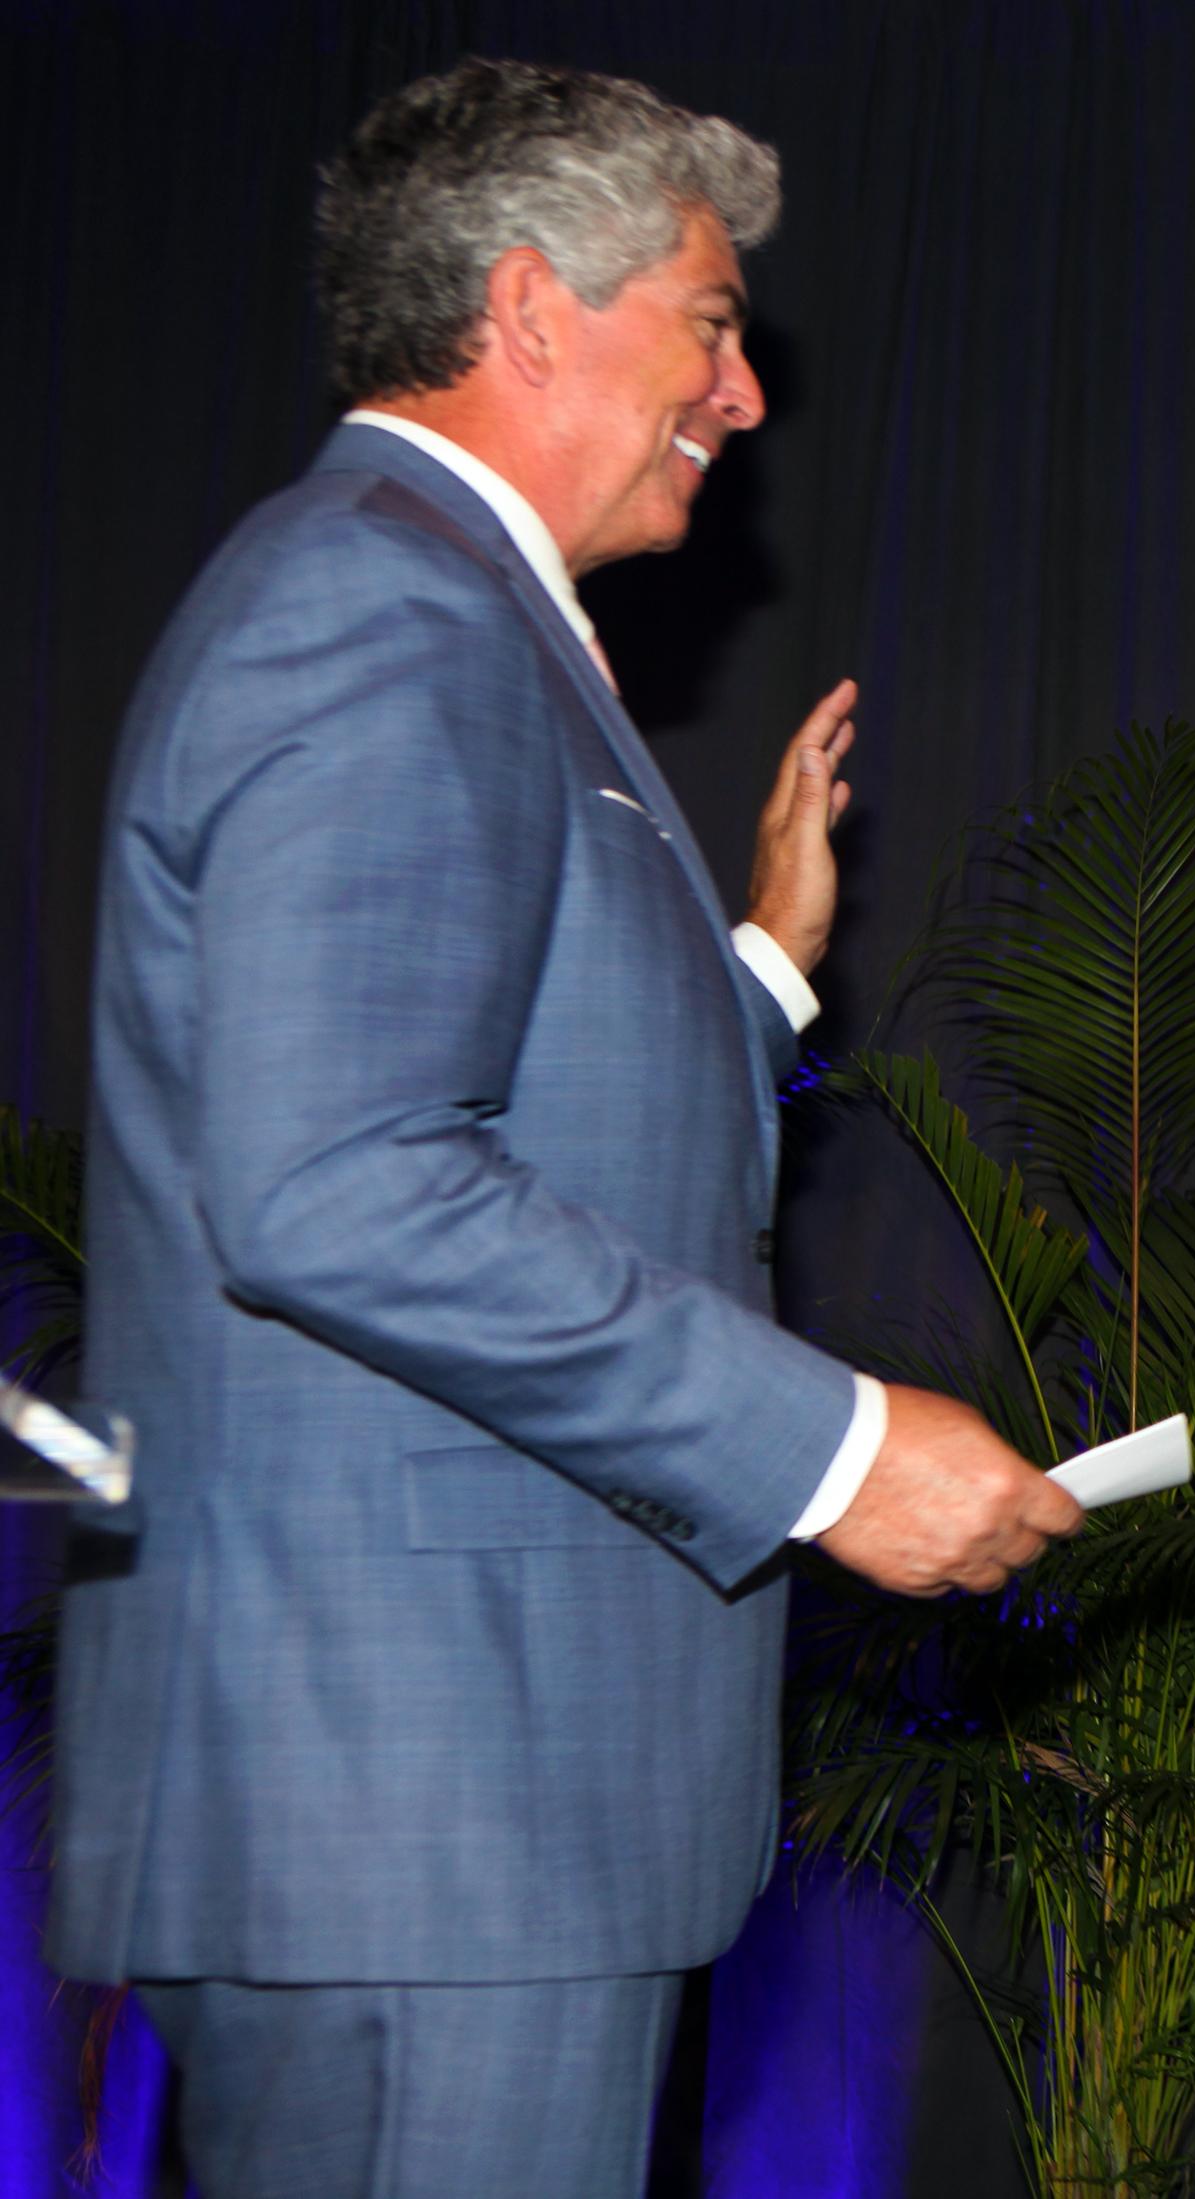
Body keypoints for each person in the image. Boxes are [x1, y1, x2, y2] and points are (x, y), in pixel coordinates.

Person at [51, 59, 1081, 2198]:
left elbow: (509, 1098)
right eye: (711, 321)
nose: (745, 389)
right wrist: (840, 1447)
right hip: (414, 1817)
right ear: (533, 309)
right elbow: (339, 1180)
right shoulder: (381, 602)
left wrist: (764, 965)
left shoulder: (459, 610)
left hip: (468, 1816)